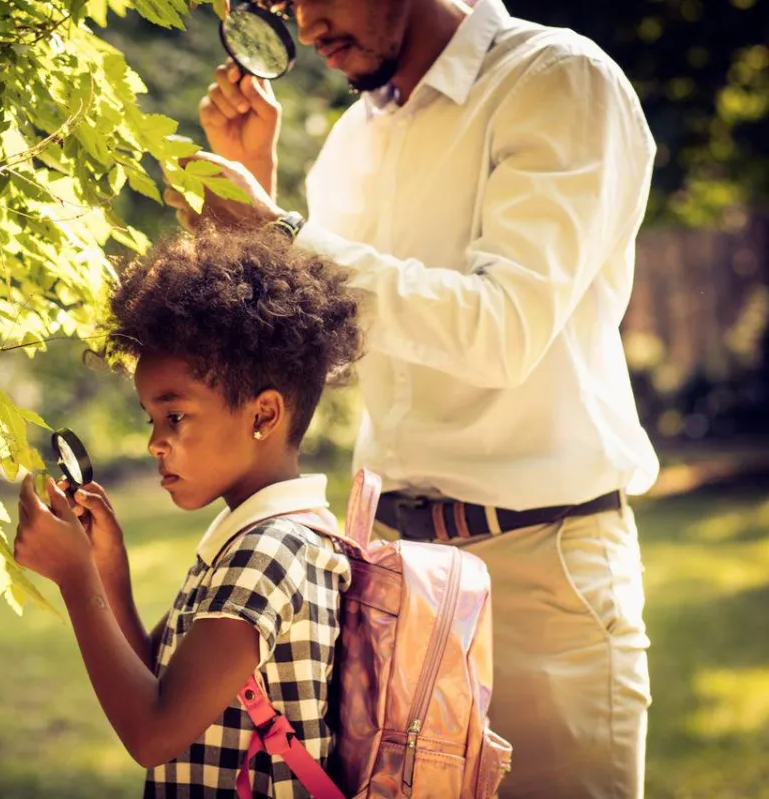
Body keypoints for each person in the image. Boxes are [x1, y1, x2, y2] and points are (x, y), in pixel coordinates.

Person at [167, 1, 657, 797]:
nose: (308, 24)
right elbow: (345, 349)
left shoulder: (557, 81)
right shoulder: (352, 139)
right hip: (392, 579)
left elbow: (503, 330)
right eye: (288, 6)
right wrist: (258, 210)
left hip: (543, 576)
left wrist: (284, 232)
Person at [13, 229, 362, 797]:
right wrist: (109, 571)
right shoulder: (253, 536)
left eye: (174, 417)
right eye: (152, 419)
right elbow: (159, 684)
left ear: (264, 414)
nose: (155, 442)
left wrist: (76, 579)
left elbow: (153, 736)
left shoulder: (268, 553)